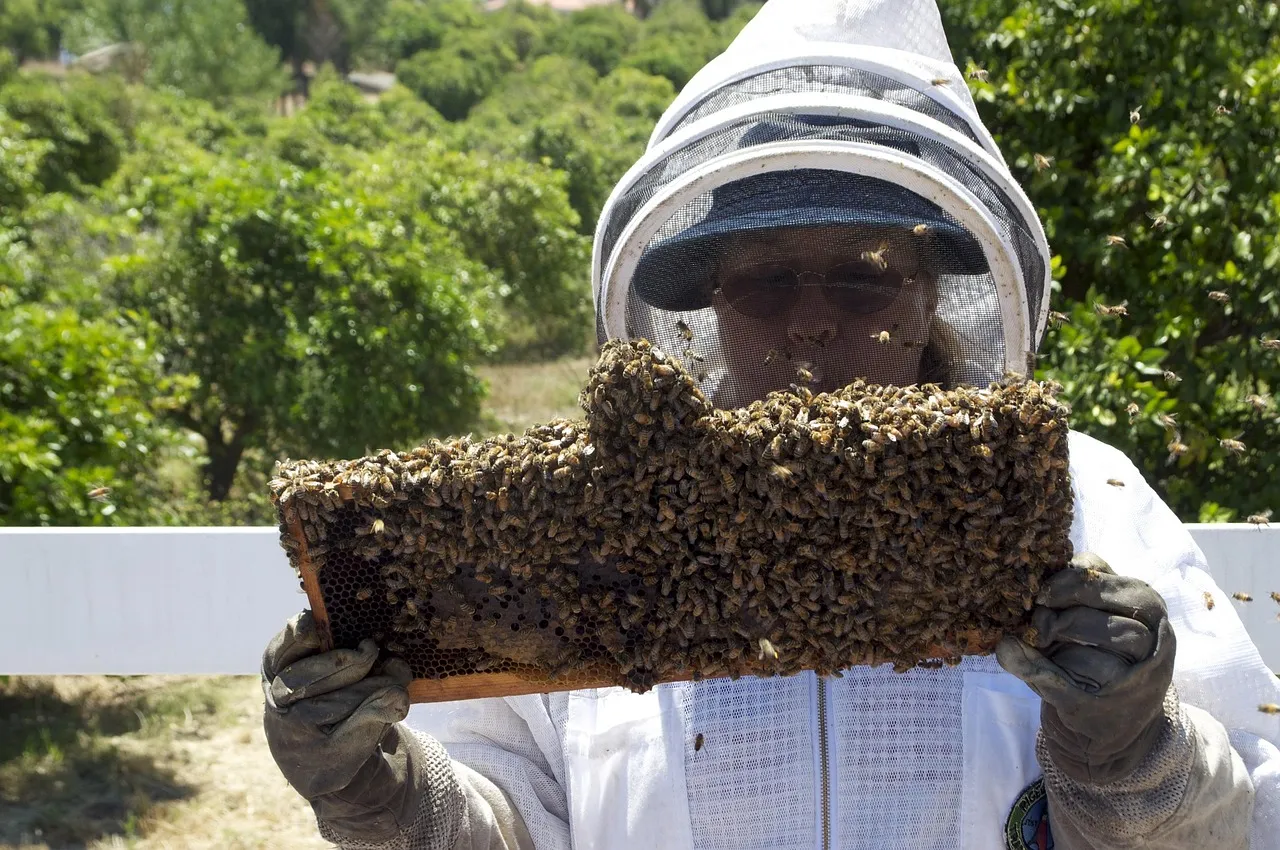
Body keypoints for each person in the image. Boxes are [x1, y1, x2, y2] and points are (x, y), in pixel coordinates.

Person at [261, 1, 1280, 848]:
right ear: (709, 303)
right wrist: (384, 796)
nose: (811, 320)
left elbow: (1245, 813)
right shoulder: (589, 523)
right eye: (765, 279)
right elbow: (510, 815)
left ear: (928, 293)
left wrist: (1132, 753)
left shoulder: (1086, 501)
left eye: (861, 277)